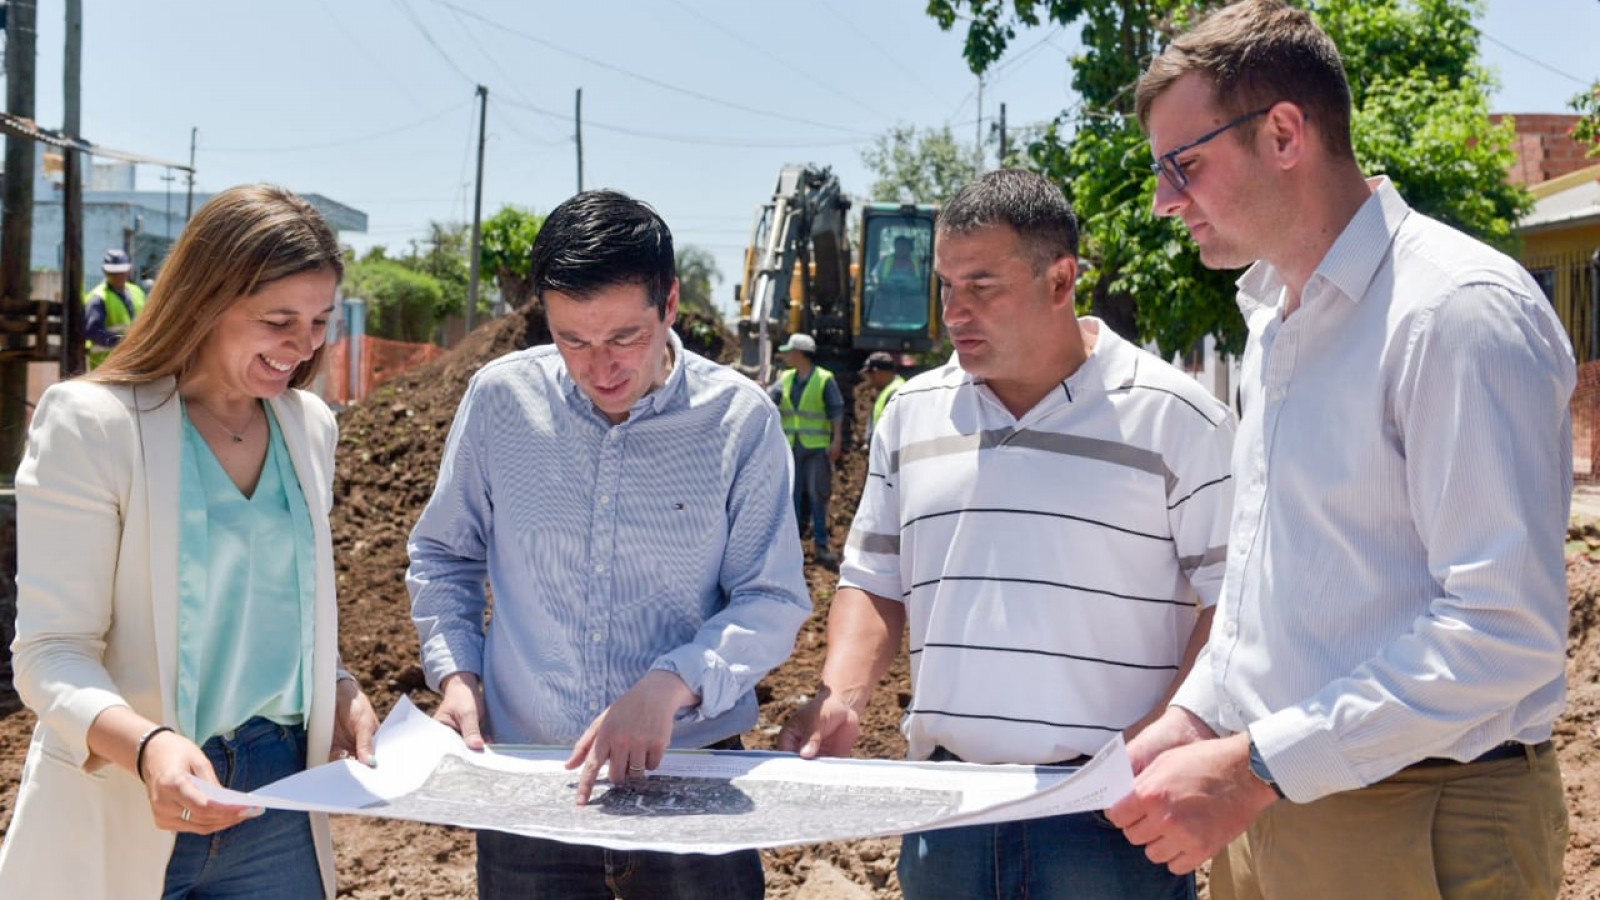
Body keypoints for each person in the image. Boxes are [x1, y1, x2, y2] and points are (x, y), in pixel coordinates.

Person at [1106, 3, 1576, 898]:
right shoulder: (1276, 322)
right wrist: (1196, 717)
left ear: (1284, 134)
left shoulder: (1454, 312)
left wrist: (1254, 766)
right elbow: (1275, 587)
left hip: (1418, 815)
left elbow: (1503, 633)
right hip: (1277, 799)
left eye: (1184, 165)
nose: (1165, 201)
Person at [779, 168, 1236, 900]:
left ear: (1061, 280)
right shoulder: (911, 415)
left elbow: (1232, 606)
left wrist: (1171, 732)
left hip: (1110, 819)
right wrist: (843, 693)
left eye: (982, 287)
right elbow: (873, 580)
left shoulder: (1178, 418)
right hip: (948, 818)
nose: (954, 312)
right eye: (945, 287)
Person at [407, 189, 812, 900]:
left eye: (625, 338)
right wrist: (458, 675)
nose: (601, 367)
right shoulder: (501, 402)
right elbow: (445, 555)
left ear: (670, 303)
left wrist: (670, 685)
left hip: (690, 782)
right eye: (573, 341)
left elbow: (771, 598)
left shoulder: (738, 421)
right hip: (532, 787)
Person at [0, 184, 381, 899]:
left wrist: (337, 685)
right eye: (279, 321)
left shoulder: (309, 427)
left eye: (319, 321)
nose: (305, 346)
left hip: (279, 803)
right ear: (205, 301)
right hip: (128, 797)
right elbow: (51, 652)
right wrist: (149, 749)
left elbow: (282, 606)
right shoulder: (93, 424)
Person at [768, 332, 844, 566]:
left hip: (816, 448)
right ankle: (791, 546)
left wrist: (836, 440)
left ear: (799, 353)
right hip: (792, 447)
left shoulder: (824, 379)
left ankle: (820, 545)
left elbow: (836, 411)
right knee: (791, 497)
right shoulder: (785, 378)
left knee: (817, 495)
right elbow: (769, 400)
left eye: (789, 351)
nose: (785, 356)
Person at [85, 247, 148, 369]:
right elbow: (93, 331)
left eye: (121, 272)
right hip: (105, 365)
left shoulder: (137, 292)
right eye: (113, 272)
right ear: (105, 272)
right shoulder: (98, 298)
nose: (118, 276)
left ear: (129, 270)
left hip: (133, 362)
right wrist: (124, 342)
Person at [871, 235, 927, 329]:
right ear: (895, 247)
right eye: (899, 246)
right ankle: (890, 318)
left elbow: (926, 276)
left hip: (912, 292)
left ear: (909, 248)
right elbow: (874, 274)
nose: (901, 249)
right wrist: (877, 283)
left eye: (904, 246)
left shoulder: (918, 261)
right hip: (888, 290)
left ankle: (909, 317)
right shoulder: (885, 260)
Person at [859, 350, 904, 440]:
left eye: (870, 375)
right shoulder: (886, 391)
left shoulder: (894, 393)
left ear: (878, 373)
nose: (869, 380)